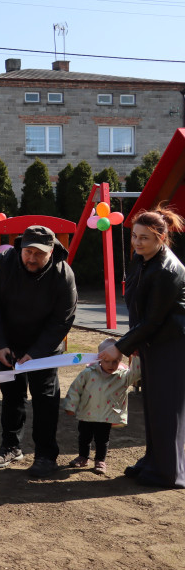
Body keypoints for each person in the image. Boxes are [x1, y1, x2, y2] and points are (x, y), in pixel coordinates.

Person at [99, 204, 185, 488]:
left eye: (144, 237)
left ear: (161, 237)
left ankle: (169, 472)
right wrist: (133, 341)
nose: (136, 242)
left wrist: (121, 346)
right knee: (153, 404)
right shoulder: (143, 259)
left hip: (172, 344)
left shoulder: (166, 270)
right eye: (134, 236)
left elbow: (153, 320)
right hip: (153, 341)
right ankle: (154, 460)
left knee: (167, 407)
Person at [0, 225, 77, 477]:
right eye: (28, 252)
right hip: (10, 343)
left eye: (39, 253)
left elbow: (63, 319)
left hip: (44, 347)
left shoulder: (63, 274)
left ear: (52, 251)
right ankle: (11, 446)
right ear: (20, 248)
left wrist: (37, 352)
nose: (32, 258)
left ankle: (46, 454)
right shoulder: (4, 263)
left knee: (45, 398)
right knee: (11, 394)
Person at [64, 338, 139, 476]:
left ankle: (100, 460)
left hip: (106, 415)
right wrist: (71, 406)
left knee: (102, 439)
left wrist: (136, 357)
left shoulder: (122, 376)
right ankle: (83, 457)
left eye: (115, 361)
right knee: (84, 437)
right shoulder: (88, 373)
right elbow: (76, 389)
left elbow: (136, 374)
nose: (111, 365)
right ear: (100, 358)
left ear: (120, 360)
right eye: (107, 361)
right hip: (87, 413)